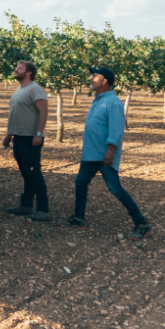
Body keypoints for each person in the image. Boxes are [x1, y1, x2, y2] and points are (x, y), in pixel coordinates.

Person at [63, 67, 151, 240]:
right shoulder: (97, 100)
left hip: (104, 155)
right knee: (80, 183)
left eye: (95, 76)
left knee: (115, 189)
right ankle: (78, 217)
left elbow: (117, 129)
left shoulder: (113, 102)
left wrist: (110, 150)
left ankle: (141, 223)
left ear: (104, 81)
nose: (92, 78)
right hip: (91, 154)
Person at [3, 60, 50, 221]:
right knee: (26, 173)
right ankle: (26, 205)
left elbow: (43, 111)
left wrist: (38, 133)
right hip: (19, 137)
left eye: (20, 68)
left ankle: (43, 209)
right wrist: (9, 134)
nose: (16, 70)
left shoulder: (35, 89)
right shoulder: (19, 91)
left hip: (30, 138)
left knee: (34, 173)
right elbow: (15, 114)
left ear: (28, 72)